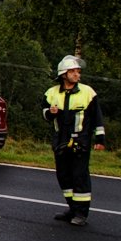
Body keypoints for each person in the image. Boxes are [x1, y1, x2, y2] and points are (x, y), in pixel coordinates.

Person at [43, 55, 106, 227]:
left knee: (80, 177)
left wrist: (100, 138)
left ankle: (81, 214)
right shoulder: (51, 93)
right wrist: (50, 112)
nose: (78, 74)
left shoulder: (88, 92)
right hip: (60, 142)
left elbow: (97, 117)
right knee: (63, 177)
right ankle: (72, 208)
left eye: (78, 71)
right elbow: (44, 113)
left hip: (81, 142)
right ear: (64, 74)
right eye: (74, 71)